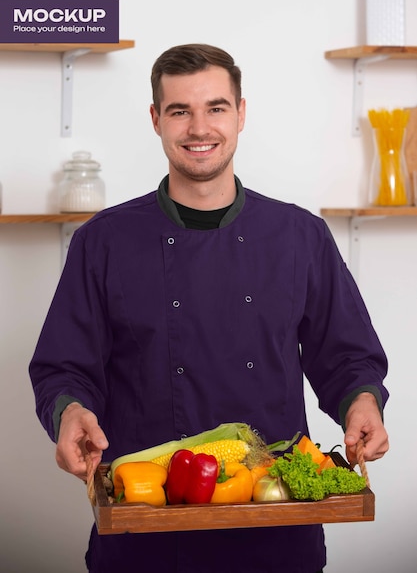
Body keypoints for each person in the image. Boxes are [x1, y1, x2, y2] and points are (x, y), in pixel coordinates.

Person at [29, 43, 389, 573]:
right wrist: (70, 412)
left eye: (216, 108)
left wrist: (362, 402)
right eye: (180, 111)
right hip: (147, 526)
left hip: (276, 524)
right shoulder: (102, 241)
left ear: (241, 114)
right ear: (156, 120)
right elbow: (64, 366)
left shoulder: (299, 236)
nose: (200, 128)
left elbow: (348, 356)